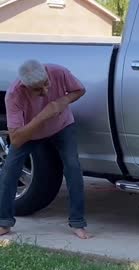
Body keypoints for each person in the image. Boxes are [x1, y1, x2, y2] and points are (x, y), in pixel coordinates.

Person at [0, 60, 90, 239]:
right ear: (24, 86)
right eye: (37, 90)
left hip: (63, 126)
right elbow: (16, 140)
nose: (45, 91)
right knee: (9, 172)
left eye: (46, 84)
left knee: (73, 168)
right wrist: (43, 116)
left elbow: (79, 90)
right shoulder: (13, 95)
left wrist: (62, 101)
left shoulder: (58, 71)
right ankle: (4, 222)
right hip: (31, 134)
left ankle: (78, 223)